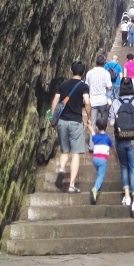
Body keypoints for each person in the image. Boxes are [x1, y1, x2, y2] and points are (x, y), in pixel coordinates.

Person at [50, 61, 91, 193]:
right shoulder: (83, 86)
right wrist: (89, 117)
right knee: (76, 154)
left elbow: (55, 101)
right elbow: (87, 102)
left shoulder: (63, 85)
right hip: (75, 121)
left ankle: (61, 169)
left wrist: (53, 118)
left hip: (62, 121)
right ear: (83, 73)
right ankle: (72, 185)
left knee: (64, 151)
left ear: (71, 71)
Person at [109, 77, 134, 218]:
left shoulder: (115, 103)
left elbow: (111, 123)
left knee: (124, 166)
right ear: (132, 87)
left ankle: (126, 196)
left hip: (120, 139)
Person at [89, 111, 113, 205]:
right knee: (100, 176)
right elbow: (113, 148)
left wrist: (89, 126)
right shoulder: (107, 138)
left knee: (99, 174)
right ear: (107, 127)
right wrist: (116, 158)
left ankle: (98, 188)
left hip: (95, 159)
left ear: (97, 128)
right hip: (103, 160)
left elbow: (92, 132)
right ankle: (95, 189)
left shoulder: (95, 138)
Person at [85, 54, 112, 124]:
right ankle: (102, 134)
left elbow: (86, 86)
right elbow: (109, 87)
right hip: (102, 100)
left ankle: (92, 134)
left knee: (92, 122)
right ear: (104, 63)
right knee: (104, 121)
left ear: (95, 62)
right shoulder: (106, 73)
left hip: (93, 100)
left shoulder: (89, 73)